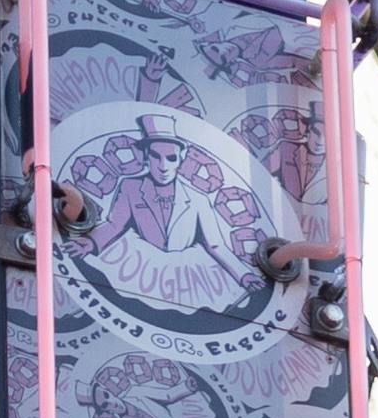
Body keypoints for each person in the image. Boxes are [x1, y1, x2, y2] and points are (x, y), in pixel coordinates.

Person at [86, 115, 258, 317]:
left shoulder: (198, 198)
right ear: (146, 157)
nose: (163, 166)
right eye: (156, 156)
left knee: (181, 314)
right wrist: (90, 242)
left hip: (185, 273)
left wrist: (244, 275)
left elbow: (215, 244)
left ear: (180, 159)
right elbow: (115, 224)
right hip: (140, 264)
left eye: (171, 158)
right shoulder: (130, 186)